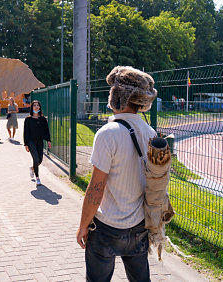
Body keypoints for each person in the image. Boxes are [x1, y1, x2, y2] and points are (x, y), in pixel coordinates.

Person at [76, 66, 157, 282]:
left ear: (118, 98)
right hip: (139, 226)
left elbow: (96, 188)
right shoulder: (151, 134)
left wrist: (83, 225)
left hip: (106, 228)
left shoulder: (107, 134)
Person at [23, 100, 51, 186]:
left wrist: (48, 140)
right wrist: (26, 144)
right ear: (32, 107)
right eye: (34, 105)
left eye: (37, 105)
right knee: (35, 159)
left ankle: (32, 168)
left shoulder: (43, 119)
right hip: (31, 142)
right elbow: (26, 132)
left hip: (40, 141)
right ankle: (37, 178)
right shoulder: (28, 119)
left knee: (39, 160)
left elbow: (46, 131)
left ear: (39, 107)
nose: (36, 107)